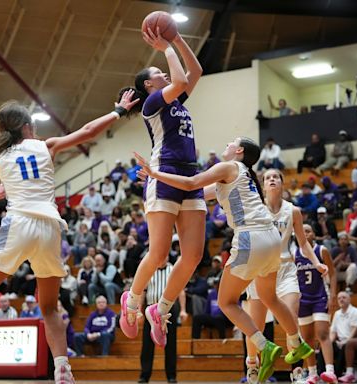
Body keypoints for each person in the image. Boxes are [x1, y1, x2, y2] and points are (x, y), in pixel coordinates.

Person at [0, 94, 138, 384]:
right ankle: (63, 370)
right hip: (50, 227)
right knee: (49, 306)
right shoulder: (45, 146)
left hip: (18, 224)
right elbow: (88, 131)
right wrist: (118, 111)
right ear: (28, 126)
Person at [136, 138, 324, 381]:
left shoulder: (229, 167)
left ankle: (263, 346)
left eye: (232, 142)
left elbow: (192, 182)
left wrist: (156, 173)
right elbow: (191, 193)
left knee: (227, 302)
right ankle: (295, 342)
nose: (227, 143)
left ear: (239, 151)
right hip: (272, 239)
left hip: (250, 238)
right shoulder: (242, 174)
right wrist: (155, 183)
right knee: (270, 297)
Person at [116, 27, 208, 352]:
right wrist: (165, 46)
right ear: (149, 84)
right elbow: (181, 79)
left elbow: (194, 72)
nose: (165, 73)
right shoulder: (153, 103)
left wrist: (179, 40)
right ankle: (133, 300)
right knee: (157, 254)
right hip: (164, 174)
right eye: (158, 73)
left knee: (193, 255)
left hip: (190, 177)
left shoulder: (176, 99)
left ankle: (161, 308)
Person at [244, 168, 330, 384]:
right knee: (257, 326)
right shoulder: (256, 207)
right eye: (268, 178)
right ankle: (252, 363)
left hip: (285, 270)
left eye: (276, 177)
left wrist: (317, 262)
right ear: (263, 185)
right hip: (260, 269)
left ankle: (298, 371)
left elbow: (303, 242)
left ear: (282, 184)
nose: (272, 180)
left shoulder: (293, 211)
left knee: (290, 319)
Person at [295, 224, 337, 383]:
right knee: (307, 339)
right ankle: (312, 373)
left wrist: (333, 295)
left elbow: (332, 274)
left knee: (323, 334)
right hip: (302, 301)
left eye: (308, 230)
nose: (305, 233)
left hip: (320, 298)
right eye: (302, 231)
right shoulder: (295, 254)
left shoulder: (322, 251)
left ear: (314, 234)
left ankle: (330, 371)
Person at [139, 255, 187, 384]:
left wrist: (183, 309)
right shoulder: (150, 270)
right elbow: (143, 291)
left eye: (164, 256)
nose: (162, 258)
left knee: (171, 344)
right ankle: (144, 376)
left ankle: (171, 376)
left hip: (168, 310)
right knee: (147, 345)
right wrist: (138, 309)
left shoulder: (173, 269)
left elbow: (181, 291)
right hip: (150, 310)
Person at [329, 292, 357, 377]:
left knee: (345, 346)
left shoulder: (356, 312)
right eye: (339, 298)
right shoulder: (337, 313)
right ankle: (322, 372)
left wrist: (345, 342)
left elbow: (355, 331)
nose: (341, 300)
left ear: (349, 299)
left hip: (351, 342)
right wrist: (330, 343)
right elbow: (333, 332)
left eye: (344, 297)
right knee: (327, 346)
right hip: (339, 341)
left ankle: (337, 374)